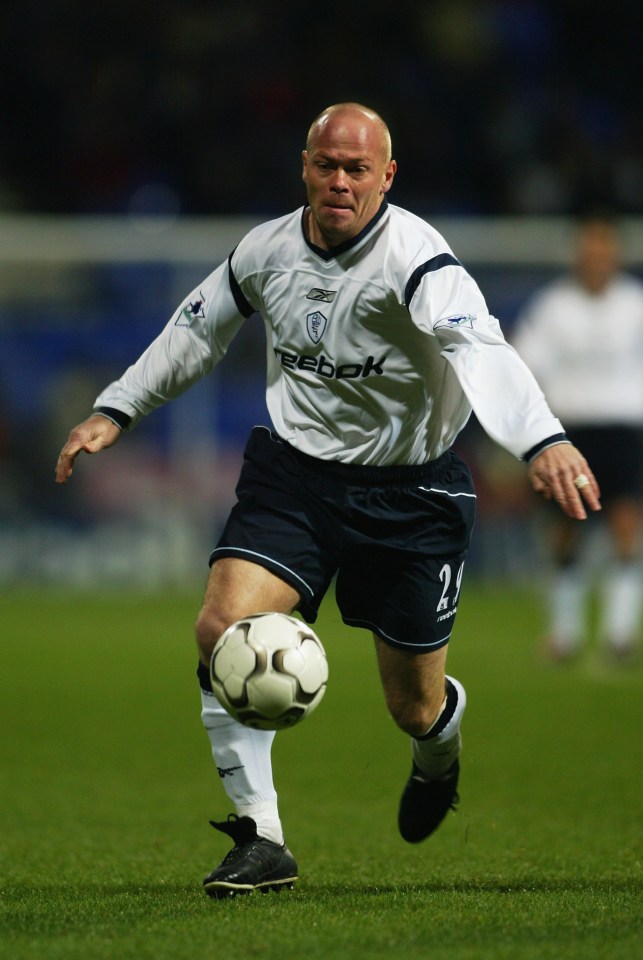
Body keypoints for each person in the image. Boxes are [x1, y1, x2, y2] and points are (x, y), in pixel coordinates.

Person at [55, 103, 601, 898]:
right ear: (304, 166)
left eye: (356, 169)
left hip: (410, 491)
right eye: (325, 165)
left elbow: (479, 349)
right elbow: (195, 328)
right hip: (297, 478)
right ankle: (260, 837)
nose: (339, 182)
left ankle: (437, 751)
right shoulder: (266, 249)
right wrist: (116, 409)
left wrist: (540, 438)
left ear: (386, 177)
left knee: (410, 707)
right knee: (220, 628)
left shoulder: (419, 260)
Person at [513, 215, 643, 661]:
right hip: (569, 431)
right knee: (564, 530)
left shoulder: (635, 304)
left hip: (624, 428)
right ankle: (564, 635)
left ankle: (619, 634)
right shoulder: (553, 307)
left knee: (627, 527)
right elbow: (525, 366)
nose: (596, 258)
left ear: (614, 255)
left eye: (603, 249)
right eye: (589, 250)